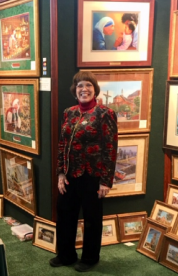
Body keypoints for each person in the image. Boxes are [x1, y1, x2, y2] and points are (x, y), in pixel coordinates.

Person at [49, 71, 118, 272]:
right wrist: (61, 173)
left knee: (92, 219)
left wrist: (106, 180)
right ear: (75, 90)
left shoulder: (105, 113)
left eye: (88, 85)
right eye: (80, 86)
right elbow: (62, 144)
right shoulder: (68, 112)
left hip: (93, 176)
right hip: (70, 175)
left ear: (94, 89)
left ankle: (90, 258)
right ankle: (66, 255)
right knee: (64, 214)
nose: (84, 89)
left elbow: (111, 148)